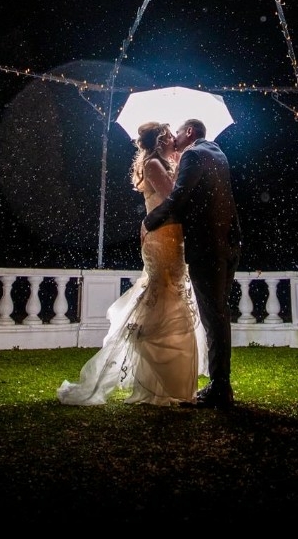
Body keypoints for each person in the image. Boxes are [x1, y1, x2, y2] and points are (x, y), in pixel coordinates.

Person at [57, 121, 207, 406]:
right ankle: (164, 382)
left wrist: (177, 165)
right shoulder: (152, 165)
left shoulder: (163, 162)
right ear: (160, 140)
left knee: (173, 296)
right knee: (163, 297)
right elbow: (173, 196)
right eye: (169, 136)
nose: (174, 140)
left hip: (173, 238)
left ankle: (174, 383)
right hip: (161, 238)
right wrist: (181, 172)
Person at [143, 118, 241, 409]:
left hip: (207, 246)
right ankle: (221, 384)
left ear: (189, 133)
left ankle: (220, 388)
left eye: (177, 135)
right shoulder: (216, 153)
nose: (174, 140)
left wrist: (149, 221)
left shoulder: (193, 155)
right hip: (229, 242)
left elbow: (178, 198)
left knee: (214, 316)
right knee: (219, 313)